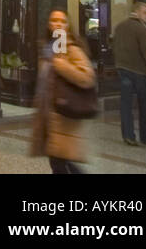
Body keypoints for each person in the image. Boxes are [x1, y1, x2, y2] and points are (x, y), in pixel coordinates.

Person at [30, 9, 96, 175]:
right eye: (54, 20)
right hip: (49, 113)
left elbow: (87, 77)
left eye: (62, 21)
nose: (58, 24)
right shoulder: (47, 49)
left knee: (61, 162)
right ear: (49, 25)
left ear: (67, 26)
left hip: (64, 114)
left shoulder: (72, 48)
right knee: (58, 161)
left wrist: (62, 67)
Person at [112, 2, 146, 146]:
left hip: (123, 70)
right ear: (137, 12)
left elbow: (115, 48)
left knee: (125, 105)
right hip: (140, 72)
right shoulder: (141, 29)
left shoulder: (119, 27)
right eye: (145, 13)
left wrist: (119, 65)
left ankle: (128, 135)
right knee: (144, 106)